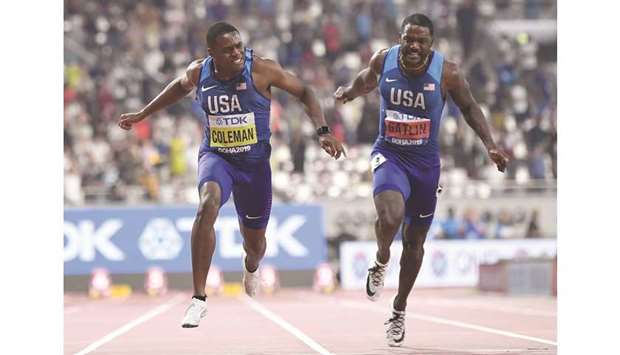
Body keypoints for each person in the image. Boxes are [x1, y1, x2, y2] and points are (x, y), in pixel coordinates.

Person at [119, 22, 346, 328]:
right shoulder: (200, 72)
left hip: (254, 168)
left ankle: (251, 267)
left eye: (239, 46)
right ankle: (198, 300)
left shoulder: (261, 70)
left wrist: (322, 131)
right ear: (212, 53)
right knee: (207, 205)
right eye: (228, 50)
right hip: (217, 158)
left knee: (255, 246)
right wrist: (143, 114)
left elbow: (305, 92)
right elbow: (178, 86)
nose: (237, 53)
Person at [334, 14, 509, 347]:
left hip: (425, 167)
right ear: (400, 38)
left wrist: (490, 145)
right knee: (390, 215)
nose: (413, 46)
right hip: (390, 154)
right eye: (408, 39)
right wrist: (350, 93)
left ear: (431, 44)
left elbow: (470, 108)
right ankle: (381, 258)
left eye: (421, 41)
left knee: (414, 244)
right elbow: (366, 80)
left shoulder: (447, 73)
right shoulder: (384, 59)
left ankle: (398, 309)